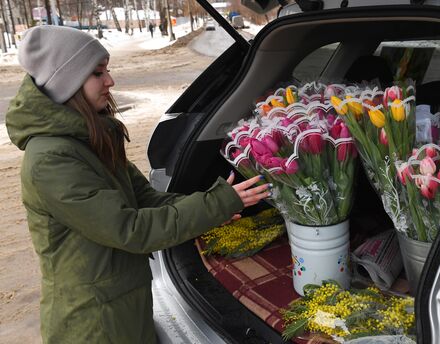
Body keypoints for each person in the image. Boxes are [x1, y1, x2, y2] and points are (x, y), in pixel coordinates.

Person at [5, 25, 270, 343]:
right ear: (67, 83)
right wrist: (216, 204)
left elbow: (146, 199)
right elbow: (131, 229)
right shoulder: (52, 160)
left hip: (123, 307)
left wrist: (211, 207)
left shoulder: (87, 138)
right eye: (97, 73)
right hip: (93, 324)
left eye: (107, 70)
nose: (110, 81)